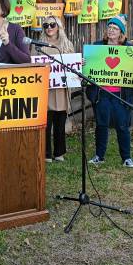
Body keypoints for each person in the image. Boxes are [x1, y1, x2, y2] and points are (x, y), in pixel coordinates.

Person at [86, 15, 133, 168]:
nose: (111, 30)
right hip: (102, 94)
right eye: (109, 27)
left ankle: (126, 158)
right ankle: (99, 156)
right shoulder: (97, 47)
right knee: (101, 125)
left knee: (122, 125)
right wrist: (85, 62)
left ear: (121, 32)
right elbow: (90, 67)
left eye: (115, 28)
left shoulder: (128, 50)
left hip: (121, 95)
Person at [38, 16, 74, 162]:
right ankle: (46, 153)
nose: (49, 28)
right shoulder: (38, 45)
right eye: (46, 25)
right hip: (45, 89)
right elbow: (33, 63)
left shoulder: (66, 44)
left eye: (52, 24)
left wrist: (79, 62)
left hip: (61, 90)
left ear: (58, 26)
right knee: (46, 122)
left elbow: (73, 65)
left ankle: (59, 153)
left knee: (60, 122)